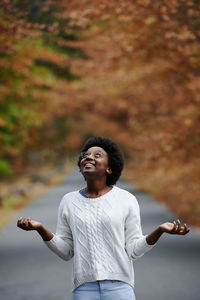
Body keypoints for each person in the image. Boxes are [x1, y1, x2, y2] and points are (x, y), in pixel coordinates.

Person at [17, 136, 190, 300]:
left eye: (96, 155)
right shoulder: (68, 201)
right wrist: (40, 228)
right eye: (85, 156)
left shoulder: (126, 199)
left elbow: (133, 250)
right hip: (83, 289)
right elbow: (66, 251)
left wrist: (159, 231)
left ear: (109, 168)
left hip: (120, 287)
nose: (88, 158)